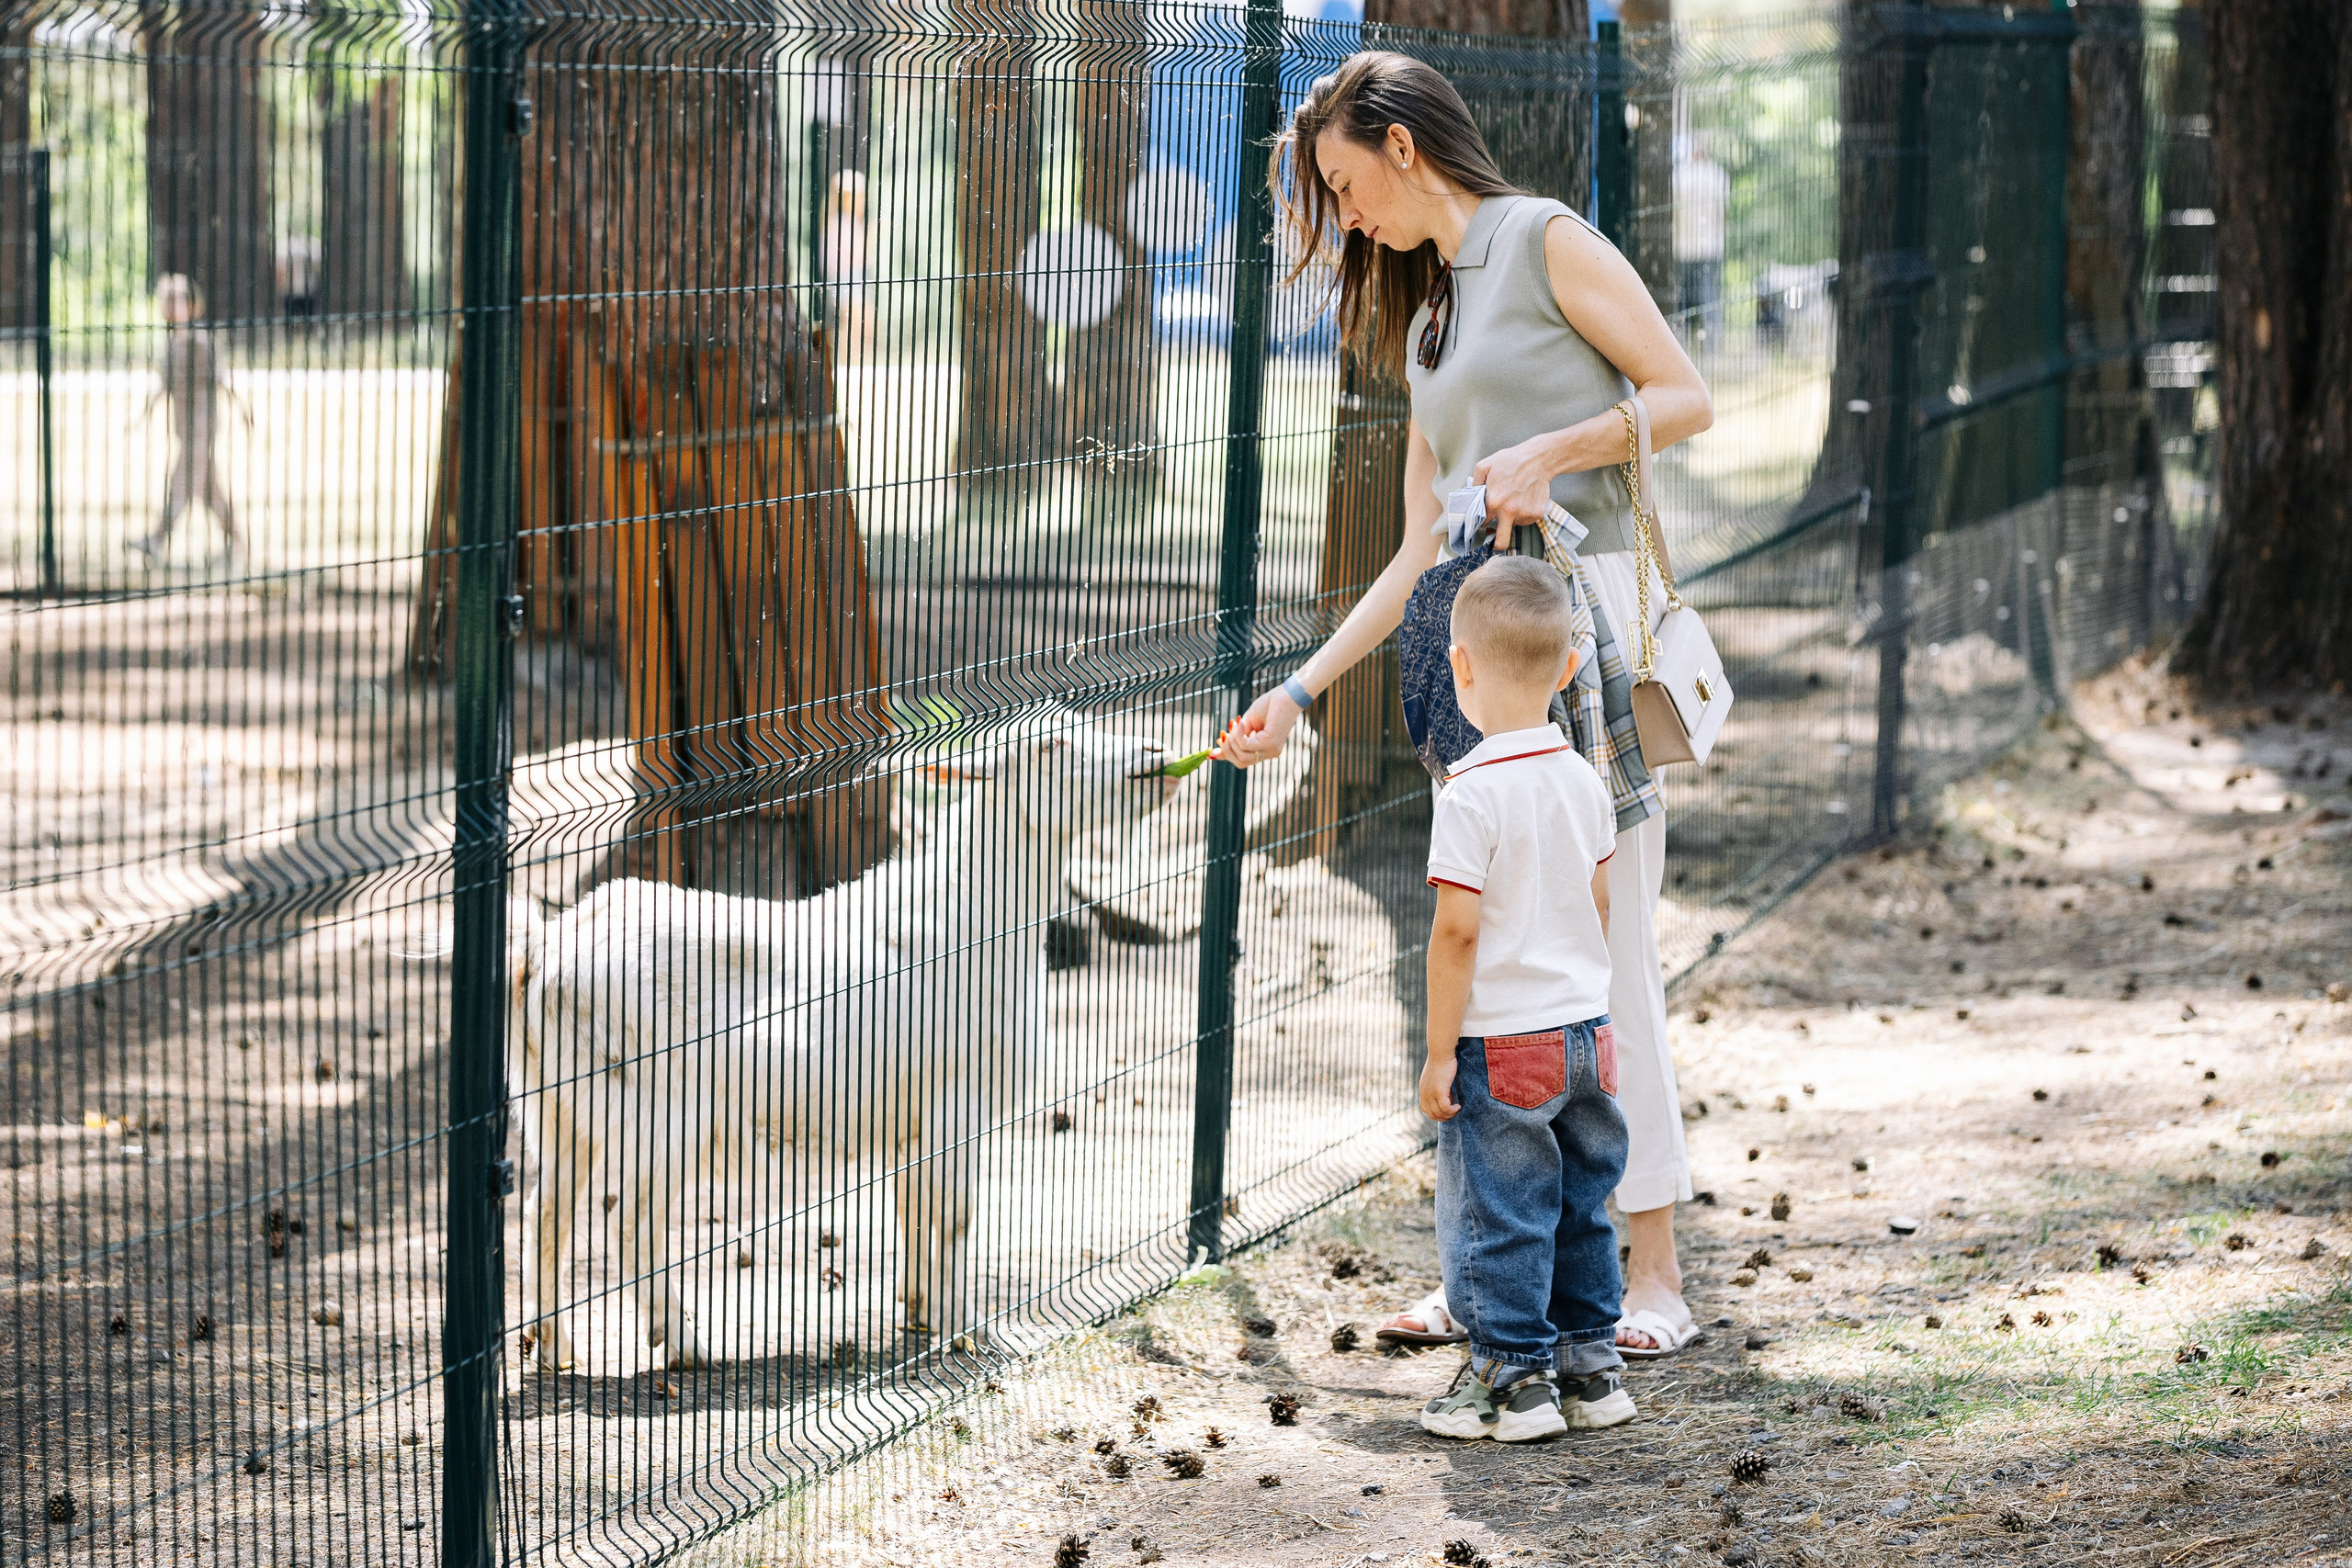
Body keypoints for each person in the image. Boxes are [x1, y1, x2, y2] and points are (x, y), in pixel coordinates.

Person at [1217, 51, 1712, 1360]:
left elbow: (1684, 395)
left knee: (1608, 965)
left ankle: (1650, 1271)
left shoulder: (1544, 240)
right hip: (1467, 664)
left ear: (1399, 142)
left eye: (1342, 182)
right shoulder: (1429, 314)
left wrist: (1556, 448)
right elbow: (1410, 554)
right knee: (1495, 977)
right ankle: (1494, 1275)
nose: (1347, 216)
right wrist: (1298, 688)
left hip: (1575, 640)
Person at [1414, 556, 1634, 1441]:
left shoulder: (1468, 794)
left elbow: (1456, 933)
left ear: (1459, 667)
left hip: (1503, 1044)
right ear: (1569, 670)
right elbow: (1602, 898)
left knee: (1503, 1211)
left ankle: (1516, 1377)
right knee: (1582, 1202)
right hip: (1589, 1032)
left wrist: (1438, 1051)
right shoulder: (1584, 778)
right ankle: (1593, 1367)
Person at [129, 273, 248, 566]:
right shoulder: (171, 345)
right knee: (210, 490)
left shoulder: (200, 342)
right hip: (185, 427)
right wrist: (141, 417)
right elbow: (163, 387)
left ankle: (156, 540)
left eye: (175, 300)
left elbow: (222, 381)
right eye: (164, 300)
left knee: (179, 482)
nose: (168, 307)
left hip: (203, 426)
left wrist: (244, 411)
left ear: (192, 305)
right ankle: (239, 545)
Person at [1672, 134, 1728, 349]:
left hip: (1683, 246)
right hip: (1710, 246)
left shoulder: (1678, 176)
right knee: (1709, 298)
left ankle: (1680, 345)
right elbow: (1721, 215)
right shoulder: (1718, 175)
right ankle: (1712, 346)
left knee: (1682, 299)